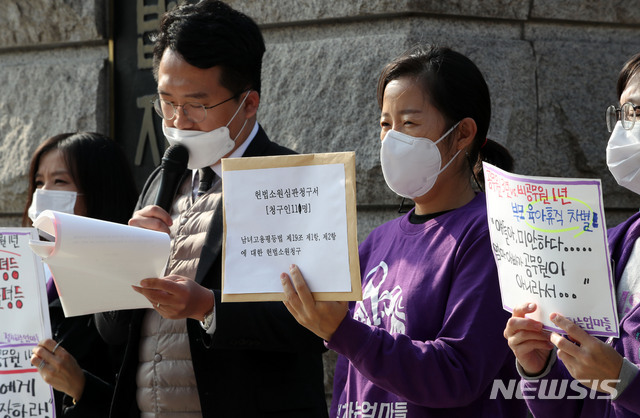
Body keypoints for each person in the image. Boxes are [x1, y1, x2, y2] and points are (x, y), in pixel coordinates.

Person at [94, 1, 328, 417]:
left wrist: (208, 307)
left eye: (197, 105)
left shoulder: (292, 181)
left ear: (249, 102)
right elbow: (112, 331)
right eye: (166, 102)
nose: (179, 121)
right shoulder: (159, 182)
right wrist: (125, 258)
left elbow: (314, 325)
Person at [281, 45, 527, 417]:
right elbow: (352, 378)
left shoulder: (491, 232)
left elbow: (458, 373)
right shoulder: (376, 242)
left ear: (462, 134)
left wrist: (343, 332)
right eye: (385, 124)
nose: (392, 139)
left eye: (409, 123)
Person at [503, 53, 640, 417]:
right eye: (625, 113)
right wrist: (539, 366)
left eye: (639, 113)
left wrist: (623, 382)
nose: (628, 128)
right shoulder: (614, 246)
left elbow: (616, 383)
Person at [26, 132, 138, 417]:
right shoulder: (26, 274)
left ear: (99, 191)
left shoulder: (128, 286)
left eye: (60, 182)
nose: (42, 194)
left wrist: (81, 387)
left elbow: (146, 399)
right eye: (39, 182)